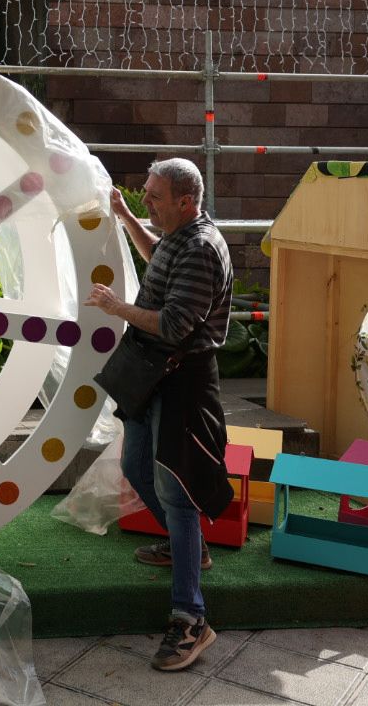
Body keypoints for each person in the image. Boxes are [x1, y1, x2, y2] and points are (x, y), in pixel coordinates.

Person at [84, 157, 233, 673]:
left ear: (186, 201)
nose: (146, 201)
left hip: (181, 379)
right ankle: (186, 549)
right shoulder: (179, 235)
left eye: (153, 197)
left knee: (178, 492)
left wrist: (116, 307)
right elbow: (158, 258)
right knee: (135, 468)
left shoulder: (200, 249)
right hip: (152, 372)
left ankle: (191, 619)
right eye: (144, 194)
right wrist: (127, 219)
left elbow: (172, 324)